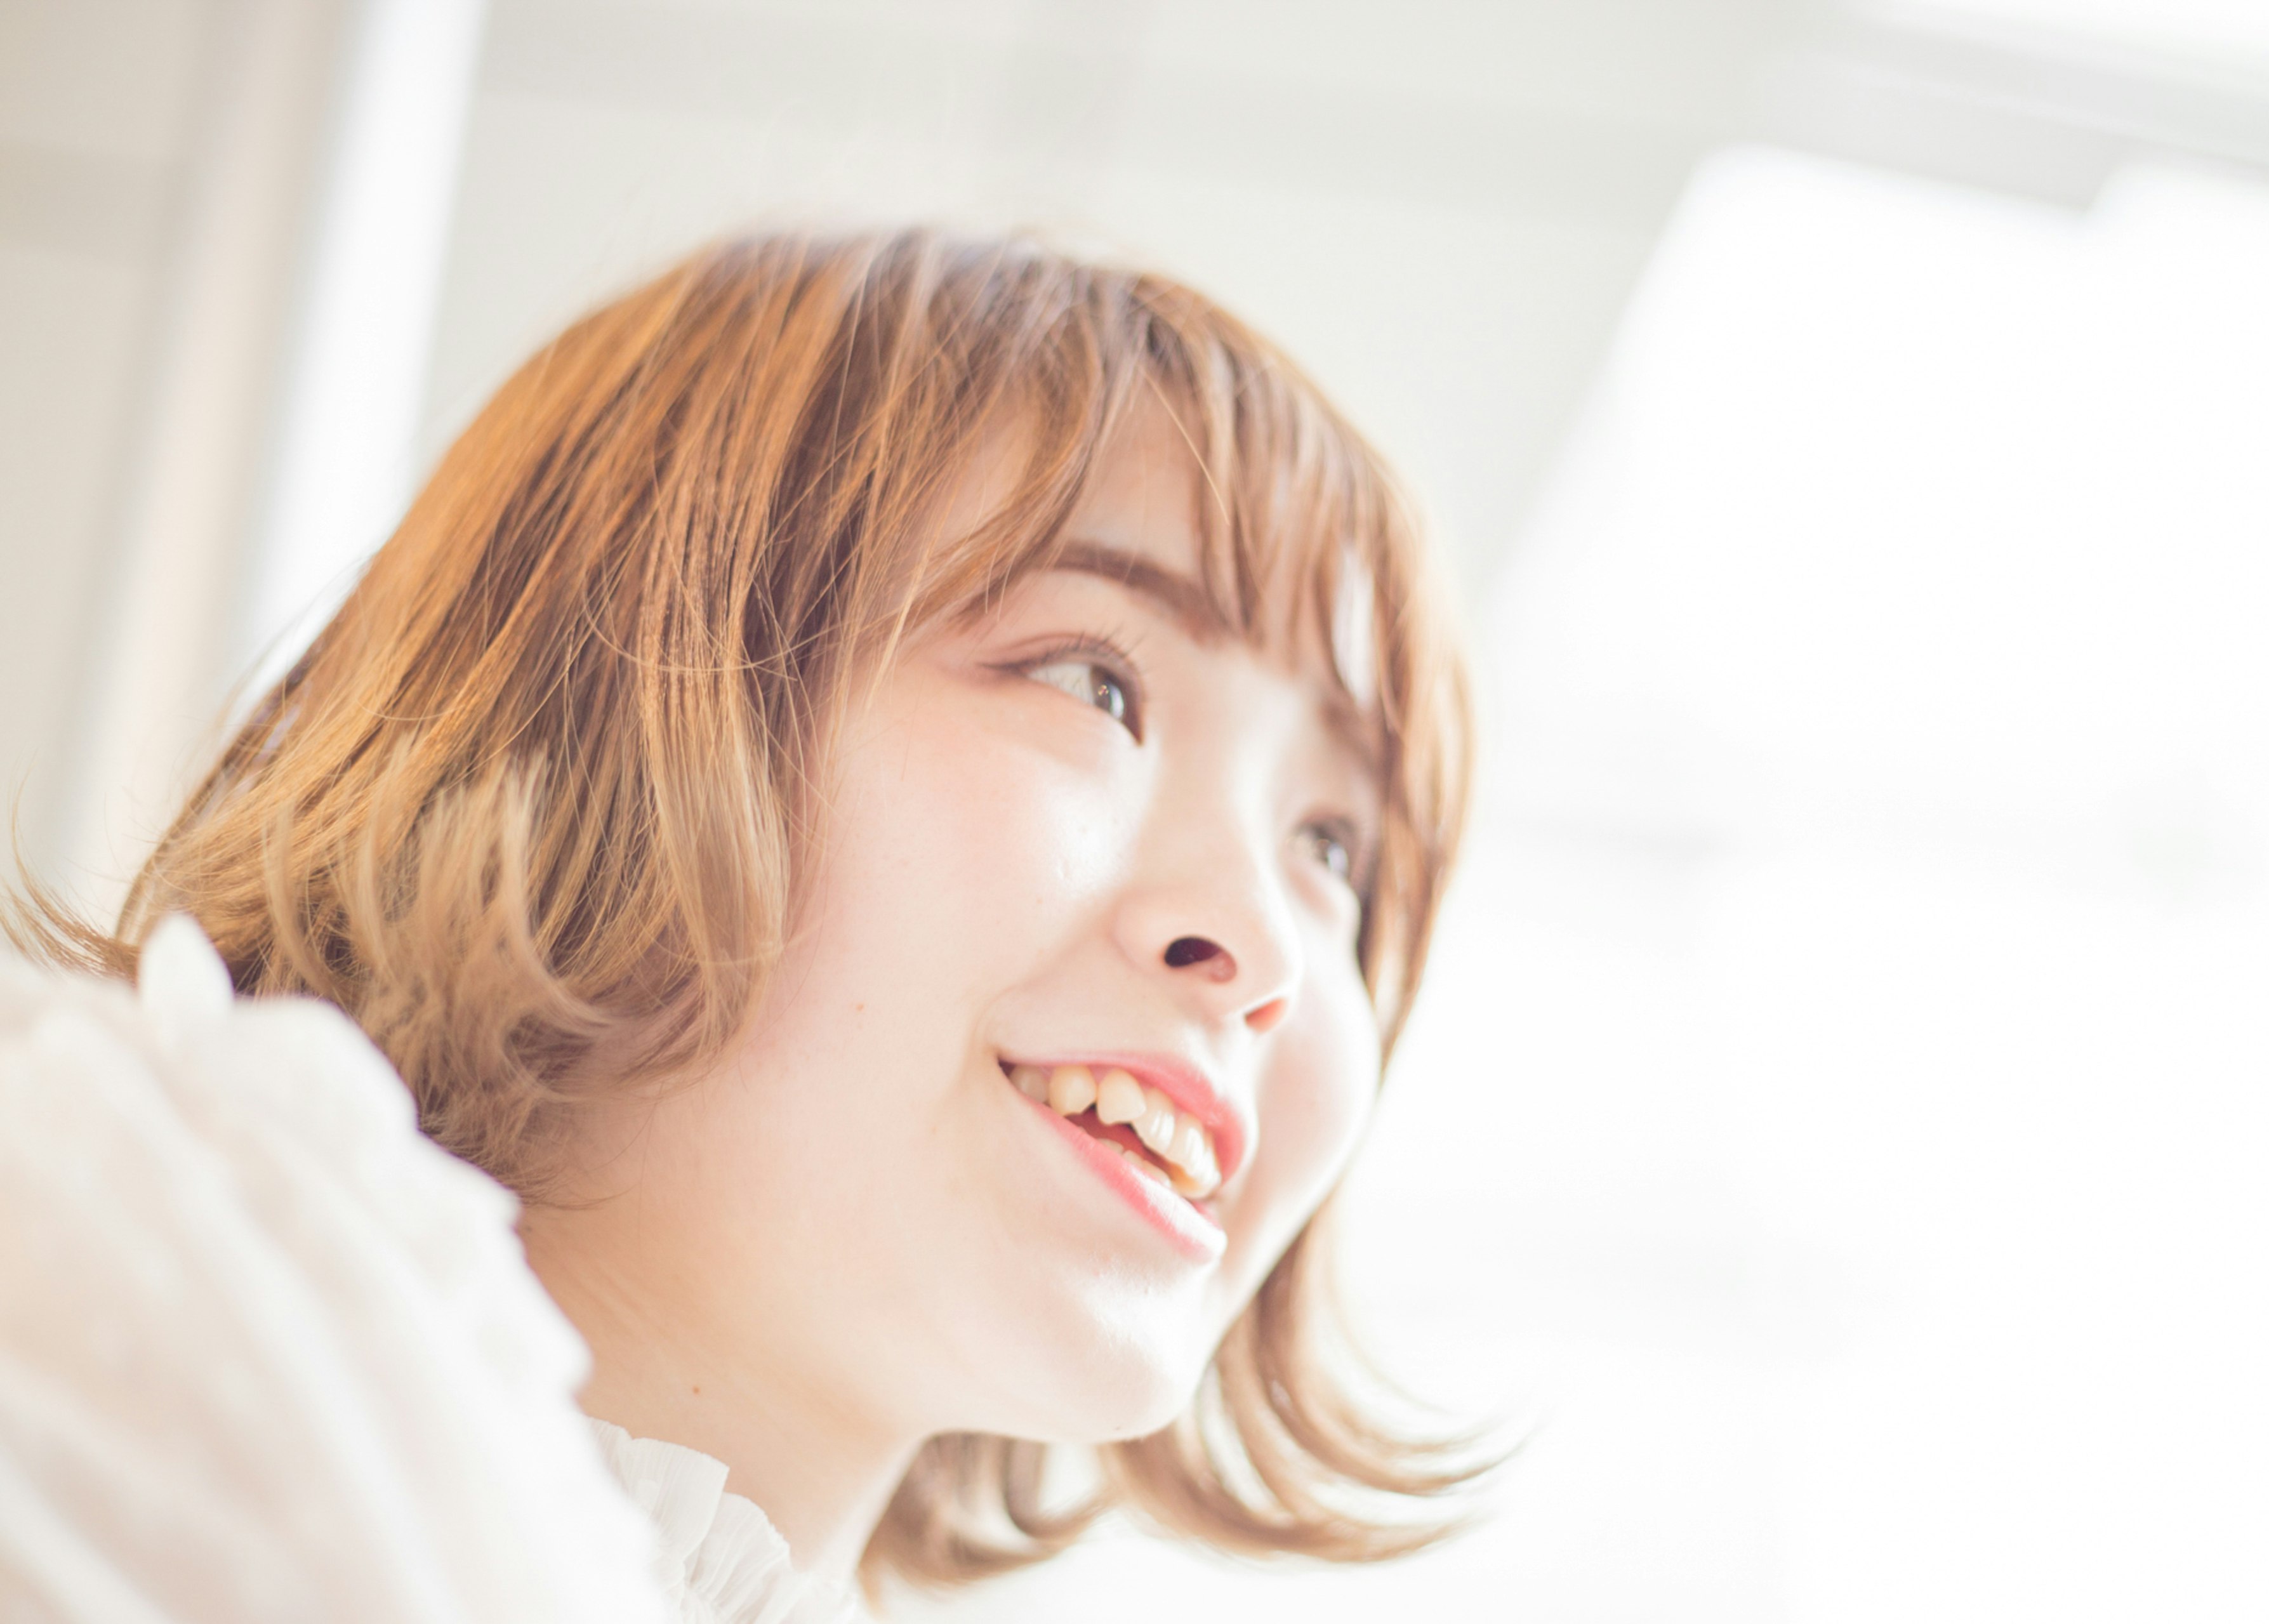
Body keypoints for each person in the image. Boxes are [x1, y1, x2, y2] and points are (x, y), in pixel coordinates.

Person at [3, 230, 1479, 1620]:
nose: (1273, 947)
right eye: (1096, 683)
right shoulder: (93, 1282)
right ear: (601, 703)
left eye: (1333, 847)